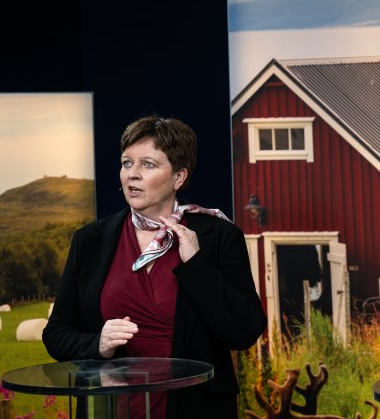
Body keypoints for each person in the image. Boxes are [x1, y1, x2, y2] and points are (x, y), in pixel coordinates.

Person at [43, 115, 267, 418]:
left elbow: (244, 332)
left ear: (178, 177)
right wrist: (98, 343)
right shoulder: (90, 241)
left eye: (148, 165)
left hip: (195, 407)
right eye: (127, 163)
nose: (132, 175)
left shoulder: (219, 236)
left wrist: (197, 265)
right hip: (112, 408)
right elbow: (56, 334)